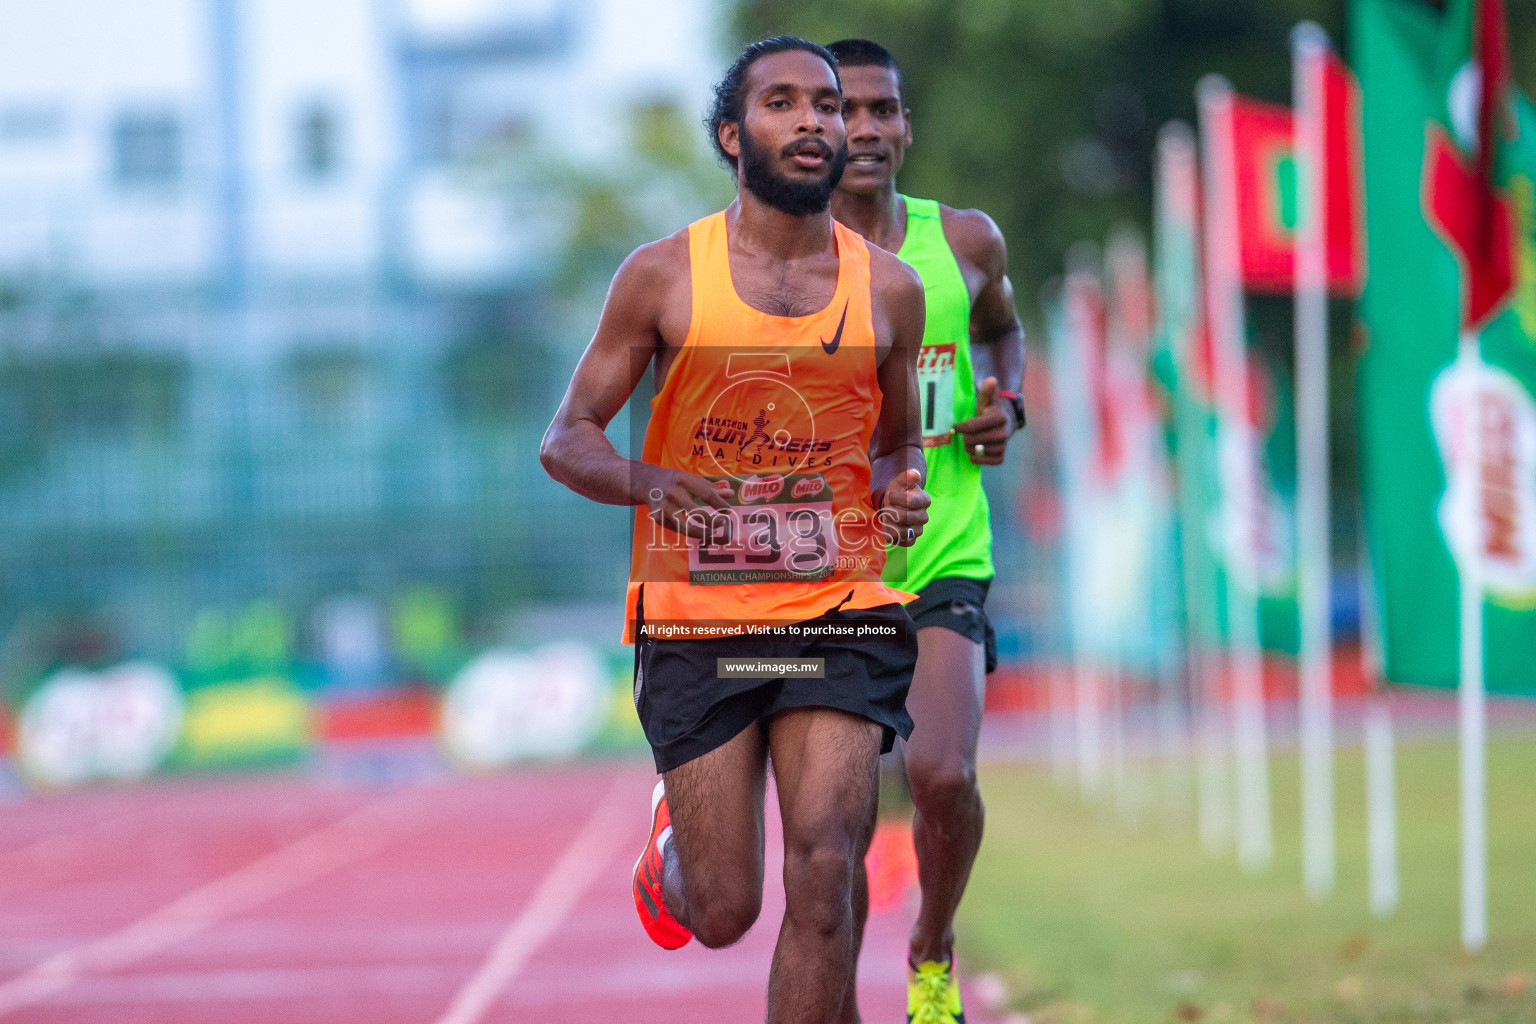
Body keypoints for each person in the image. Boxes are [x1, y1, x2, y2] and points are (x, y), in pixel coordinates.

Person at [540, 36, 933, 1024]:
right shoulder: (663, 275)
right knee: (723, 909)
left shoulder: (890, 289)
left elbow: (897, 444)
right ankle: (676, 842)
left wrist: (901, 490)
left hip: (833, 605)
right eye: (784, 103)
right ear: (731, 135)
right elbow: (566, 439)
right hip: (696, 620)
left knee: (828, 864)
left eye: (831, 106)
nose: (816, 122)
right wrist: (653, 482)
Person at [825, 37, 1028, 1024]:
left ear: (907, 126)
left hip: (947, 547)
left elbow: (1002, 331)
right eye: (844, 110)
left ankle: (933, 948)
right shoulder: (780, 266)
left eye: (882, 110)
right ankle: (840, 993)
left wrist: (1007, 406)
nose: (864, 128)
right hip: (828, 574)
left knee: (942, 774)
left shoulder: (966, 240)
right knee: (841, 819)